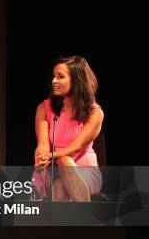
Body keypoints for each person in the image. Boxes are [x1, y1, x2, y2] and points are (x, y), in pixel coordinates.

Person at [32, 56, 104, 202]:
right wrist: (41, 156)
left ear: (76, 81)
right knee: (59, 186)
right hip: (53, 172)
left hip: (84, 172)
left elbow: (76, 148)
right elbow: (43, 144)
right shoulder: (44, 108)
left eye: (60, 77)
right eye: (54, 76)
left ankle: (83, 220)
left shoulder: (95, 112)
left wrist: (52, 156)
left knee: (64, 161)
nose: (54, 81)